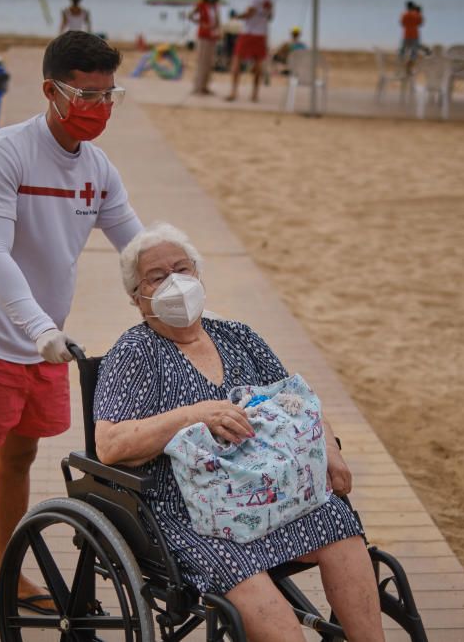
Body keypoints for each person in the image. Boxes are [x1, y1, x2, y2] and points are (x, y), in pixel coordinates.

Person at [0, 31, 142, 642]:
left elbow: (136, 249)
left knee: (20, 458)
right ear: (50, 90)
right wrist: (39, 326)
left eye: (107, 94)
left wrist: (180, 294)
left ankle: (6, 577)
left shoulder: (98, 169)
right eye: (84, 93)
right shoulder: (2, 154)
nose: (97, 106)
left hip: (43, 343)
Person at [93, 222, 385, 642]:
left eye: (182, 269)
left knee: (336, 519)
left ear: (198, 274)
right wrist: (194, 415)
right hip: (191, 517)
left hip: (273, 495)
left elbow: (300, 402)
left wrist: (331, 450)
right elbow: (110, 445)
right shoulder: (136, 353)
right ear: (138, 299)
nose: (175, 282)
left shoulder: (238, 336)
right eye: (157, 277)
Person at [227, 0, 272, 102]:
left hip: (249, 32)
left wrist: (237, 16)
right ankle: (255, 94)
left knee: (237, 60)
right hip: (261, 33)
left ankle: (234, 92)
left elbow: (250, 13)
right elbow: (270, 16)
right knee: (258, 64)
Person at [189, 0, 221, 95]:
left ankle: (205, 86)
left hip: (213, 36)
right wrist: (201, 23)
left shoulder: (216, 6)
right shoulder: (201, 5)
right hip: (203, 35)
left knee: (209, 62)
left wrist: (218, 30)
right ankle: (198, 87)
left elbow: (217, 21)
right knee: (202, 61)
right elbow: (191, 15)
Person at [399, 0, 423, 69]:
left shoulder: (404, 14)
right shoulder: (416, 14)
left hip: (406, 35)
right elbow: (420, 23)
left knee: (402, 52)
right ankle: (409, 64)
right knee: (414, 53)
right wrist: (418, 12)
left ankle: (402, 64)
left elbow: (402, 24)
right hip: (415, 36)